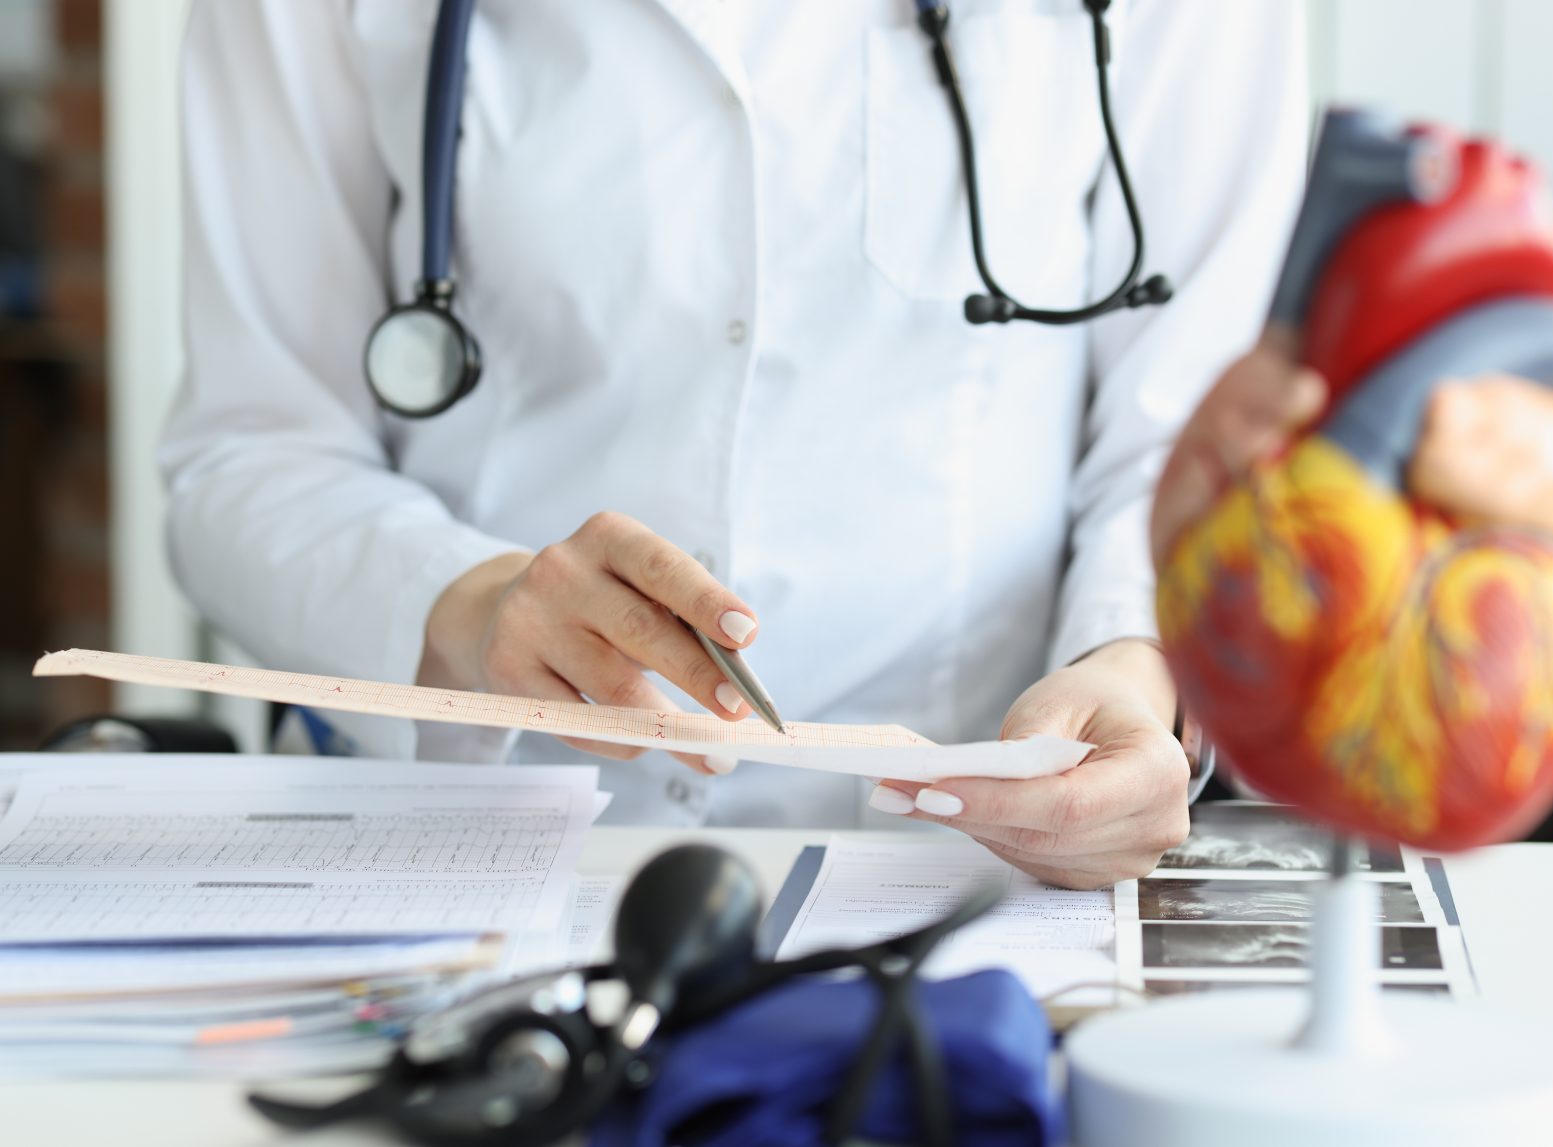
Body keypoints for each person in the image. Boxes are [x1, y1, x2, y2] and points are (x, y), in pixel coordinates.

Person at [160, 0, 1308, 890]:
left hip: (969, 876)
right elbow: (251, 453)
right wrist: (468, 607)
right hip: (466, 854)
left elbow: (1193, 452)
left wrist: (1132, 660)